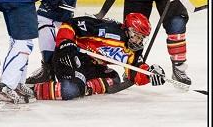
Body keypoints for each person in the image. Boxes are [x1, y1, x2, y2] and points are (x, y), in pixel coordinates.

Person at [32, 13, 166, 100]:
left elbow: (134, 72)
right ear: (128, 30)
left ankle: (84, 87)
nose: (139, 41)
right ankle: (33, 90)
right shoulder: (107, 30)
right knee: (70, 90)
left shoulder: (134, 50)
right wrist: (65, 43)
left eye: (142, 38)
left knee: (114, 78)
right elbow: (70, 24)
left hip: (91, 65)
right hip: (70, 57)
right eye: (136, 36)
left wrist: (149, 74)